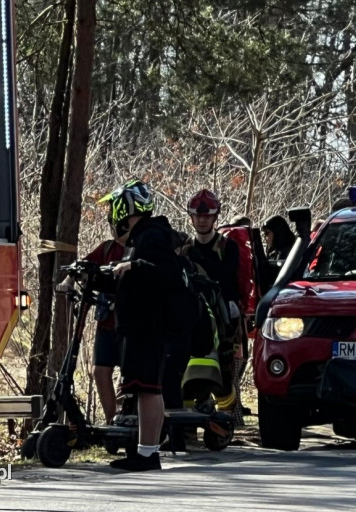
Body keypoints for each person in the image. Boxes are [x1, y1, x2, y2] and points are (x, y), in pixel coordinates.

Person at [99, 179, 189, 471]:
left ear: (125, 209)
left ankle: (148, 454)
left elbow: (168, 274)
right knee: (143, 387)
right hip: (140, 325)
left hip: (147, 326)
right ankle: (145, 450)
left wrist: (134, 266)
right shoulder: (143, 238)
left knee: (148, 387)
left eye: (114, 209)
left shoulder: (151, 236)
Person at [179, 189, 247, 425]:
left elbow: (227, 280)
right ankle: (186, 426)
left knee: (225, 371)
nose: (202, 220)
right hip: (191, 316)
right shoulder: (184, 248)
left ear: (215, 217)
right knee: (185, 370)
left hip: (223, 316)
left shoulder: (229, 247)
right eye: (198, 216)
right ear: (191, 218)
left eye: (207, 216)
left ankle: (226, 422)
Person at [55, 233, 126, 425]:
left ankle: (132, 420)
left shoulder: (138, 248)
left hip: (129, 325)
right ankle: (112, 421)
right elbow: (83, 265)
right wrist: (69, 280)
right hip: (106, 322)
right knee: (100, 371)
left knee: (131, 377)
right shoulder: (107, 248)